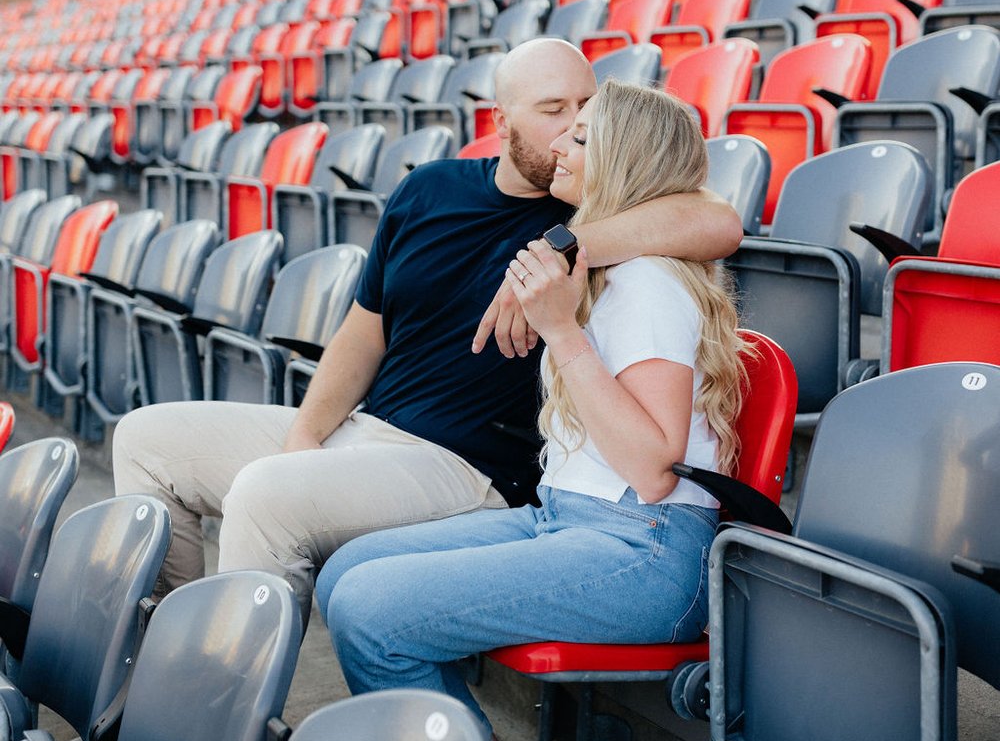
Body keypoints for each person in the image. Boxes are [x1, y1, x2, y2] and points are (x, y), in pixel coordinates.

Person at [113, 40, 742, 625]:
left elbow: (719, 224)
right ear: (502, 123)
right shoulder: (428, 188)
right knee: (145, 439)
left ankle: (222, 705)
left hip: (470, 468)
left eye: (586, 109)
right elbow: (364, 334)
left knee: (266, 494)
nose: (574, 129)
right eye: (554, 110)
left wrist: (565, 243)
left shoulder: (593, 206)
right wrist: (306, 436)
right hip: (371, 431)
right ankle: (168, 648)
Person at [316, 80, 746, 741]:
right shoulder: (601, 261)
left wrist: (561, 332)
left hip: (645, 547)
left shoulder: (648, 284)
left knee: (376, 610)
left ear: (617, 158)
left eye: (580, 138)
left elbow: (653, 469)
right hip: (572, 519)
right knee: (345, 572)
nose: (559, 147)